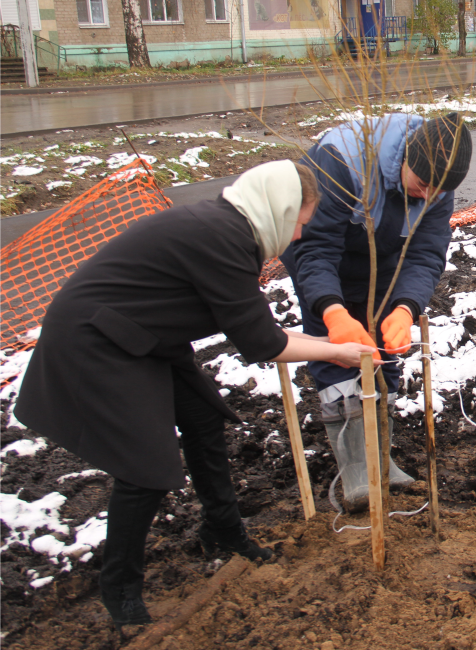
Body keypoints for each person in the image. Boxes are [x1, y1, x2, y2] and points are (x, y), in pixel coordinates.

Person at [13, 161, 378, 629]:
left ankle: (222, 530)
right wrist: (340, 351)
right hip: (99, 341)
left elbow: (257, 327)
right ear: (280, 210)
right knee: (144, 466)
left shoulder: (231, 230)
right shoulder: (222, 238)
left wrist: (337, 343)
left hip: (146, 335)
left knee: (203, 418)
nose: (301, 236)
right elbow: (262, 344)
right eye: (300, 223)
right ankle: (120, 586)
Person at [281, 113, 471, 513]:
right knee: (338, 356)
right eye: (420, 185)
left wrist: (405, 308)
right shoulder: (342, 161)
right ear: (406, 159)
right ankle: (355, 469)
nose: (426, 197)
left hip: (382, 259)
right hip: (323, 257)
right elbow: (313, 249)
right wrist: (332, 311)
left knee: (384, 356)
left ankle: (380, 460)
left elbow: (425, 252)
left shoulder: (437, 182)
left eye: (436, 192)